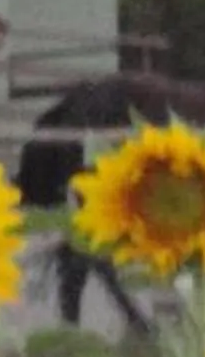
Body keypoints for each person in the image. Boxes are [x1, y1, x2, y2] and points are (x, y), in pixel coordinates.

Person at [19, 74, 149, 335]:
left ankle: (116, 320)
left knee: (81, 255)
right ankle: (131, 320)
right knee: (87, 252)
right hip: (79, 183)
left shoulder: (76, 118)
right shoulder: (94, 118)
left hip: (75, 184)